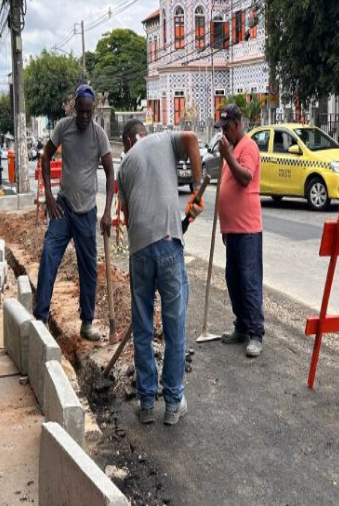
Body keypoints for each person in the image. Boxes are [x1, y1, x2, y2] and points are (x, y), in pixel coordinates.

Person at [117, 120, 204, 426]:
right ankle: (172, 403)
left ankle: (145, 403)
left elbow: (127, 219)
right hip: (169, 243)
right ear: (140, 134)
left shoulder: (124, 164)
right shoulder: (164, 139)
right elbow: (193, 140)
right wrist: (196, 190)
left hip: (139, 252)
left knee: (142, 329)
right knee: (174, 326)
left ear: (127, 140)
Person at [36, 84, 114, 341]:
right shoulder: (63, 127)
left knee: (88, 267)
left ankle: (87, 322)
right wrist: (48, 195)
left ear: (92, 110)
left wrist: (106, 212)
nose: (83, 116)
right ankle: (40, 317)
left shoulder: (99, 135)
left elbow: (111, 172)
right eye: (80, 111)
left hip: (87, 211)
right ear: (75, 108)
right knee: (49, 254)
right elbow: (45, 156)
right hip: (64, 207)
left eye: (87, 112)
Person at [215, 105, 265, 357]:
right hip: (233, 229)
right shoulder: (232, 149)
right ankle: (242, 326)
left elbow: (245, 177)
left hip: (247, 229)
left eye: (226, 128)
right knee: (233, 281)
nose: (223, 133)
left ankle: (256, 333)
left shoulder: (249, 147)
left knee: (250, 281)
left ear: (237, 124)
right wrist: (225, 226)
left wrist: (228, 156)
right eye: (221, 129)